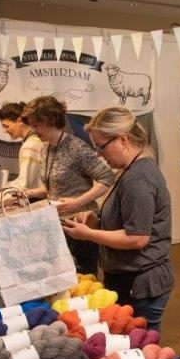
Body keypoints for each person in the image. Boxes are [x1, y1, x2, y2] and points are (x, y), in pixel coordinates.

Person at [61, 107, 173, 333]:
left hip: (141, 283)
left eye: (101, 147)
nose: (99, 155)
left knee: (141, 344)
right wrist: (96, 220)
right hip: (132, 278)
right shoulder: (130, 170)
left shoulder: (138, 178)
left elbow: (137, 238)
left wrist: (88, 234)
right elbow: (127, 220)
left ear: (122, 139)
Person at [22, 96, 113, 275]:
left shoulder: (76, 147)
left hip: (82, 224)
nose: (33, 130)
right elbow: (54, 188)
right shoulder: (46, 148)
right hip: (59, 226)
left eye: (36, 125)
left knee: (85, 280)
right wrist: (28, 192)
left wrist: (77, 202)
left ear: (49, 120)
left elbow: (106, 178)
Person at [0, 101, 44, 190]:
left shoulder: (30, 146)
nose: (4, 130)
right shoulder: (34, 141)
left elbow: (24, 184)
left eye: (6, 126)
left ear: (19, 121)